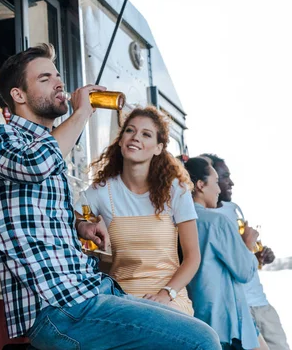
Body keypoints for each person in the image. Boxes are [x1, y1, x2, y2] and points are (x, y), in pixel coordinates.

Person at [0, 44, 221, 350]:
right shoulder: (0, 138)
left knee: (199, 331)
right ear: (19, 95)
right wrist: (81, 113)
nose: (59, 83)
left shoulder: (51, 149)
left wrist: (80, 227)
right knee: (202, 342)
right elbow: (36, 165)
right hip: (61, 307)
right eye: (45, 78)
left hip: (91, 292)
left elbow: (36, 215)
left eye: (58, 75)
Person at [76, 106, 199, 315]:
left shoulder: (175, 190)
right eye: (130, 131)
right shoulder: (103, 190)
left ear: (158, 148)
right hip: (122, 298)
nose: (135, 137)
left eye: (146, 134)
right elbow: (65, 216)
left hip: (169, 297)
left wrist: (165, 294)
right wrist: (81, 225)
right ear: (121, 140)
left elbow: (193, 258)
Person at [201, 154, 290, 350]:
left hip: (260, 302)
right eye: (223, 177)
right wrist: (246, 246)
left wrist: (260, 255)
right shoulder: (205, 218)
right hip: (237, 308)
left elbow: (247, 251)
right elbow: (229, 265)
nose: (230, 182)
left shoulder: (234, 210)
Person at [185, 157, 262, 350]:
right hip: (226, 325)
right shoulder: (216, 222)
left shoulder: (175, 221)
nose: (219, 189)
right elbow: (244, 272)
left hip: (193, 318)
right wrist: (248, 244)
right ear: (201, 185)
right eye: (215, 182)